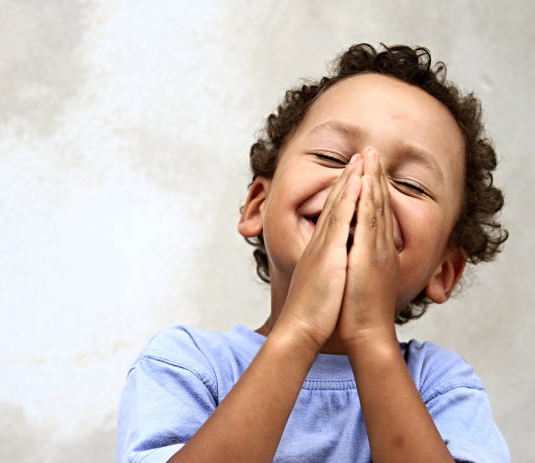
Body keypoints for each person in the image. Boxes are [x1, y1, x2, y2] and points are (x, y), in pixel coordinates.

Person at [117, 43, 511, 462]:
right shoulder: (188, 365)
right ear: (257, 206)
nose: (361, 184)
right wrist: (300, 330)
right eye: (331, 157)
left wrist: (370, 337)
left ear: (444, 271)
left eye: (412, 184)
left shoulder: (441, 387)